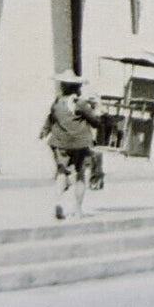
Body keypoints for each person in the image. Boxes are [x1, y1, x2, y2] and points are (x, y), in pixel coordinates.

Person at [40, 69, 102, 220]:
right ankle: (78, 209)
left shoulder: (57, 102)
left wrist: (44, 132)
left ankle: (58, 202)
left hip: (60, 143)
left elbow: (50, 119)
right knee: (80, 175)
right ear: (76, 87)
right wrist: (97, 107)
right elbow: (95, 122)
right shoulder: (79, 104)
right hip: (79, 143)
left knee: (62, 173)